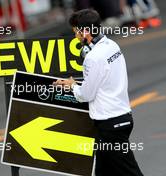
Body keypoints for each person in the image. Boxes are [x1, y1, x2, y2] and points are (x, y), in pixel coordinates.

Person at [53, 9, 144, 176]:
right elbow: (103, 80)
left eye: (76, 32)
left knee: (130, 172)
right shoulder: (111, 45)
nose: (75, 37)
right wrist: (76, 83)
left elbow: (86, 95)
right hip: (120, 118)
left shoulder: (92, 58)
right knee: (103, 171)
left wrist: (73, 85)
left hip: (111, 126)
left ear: (85, 31)